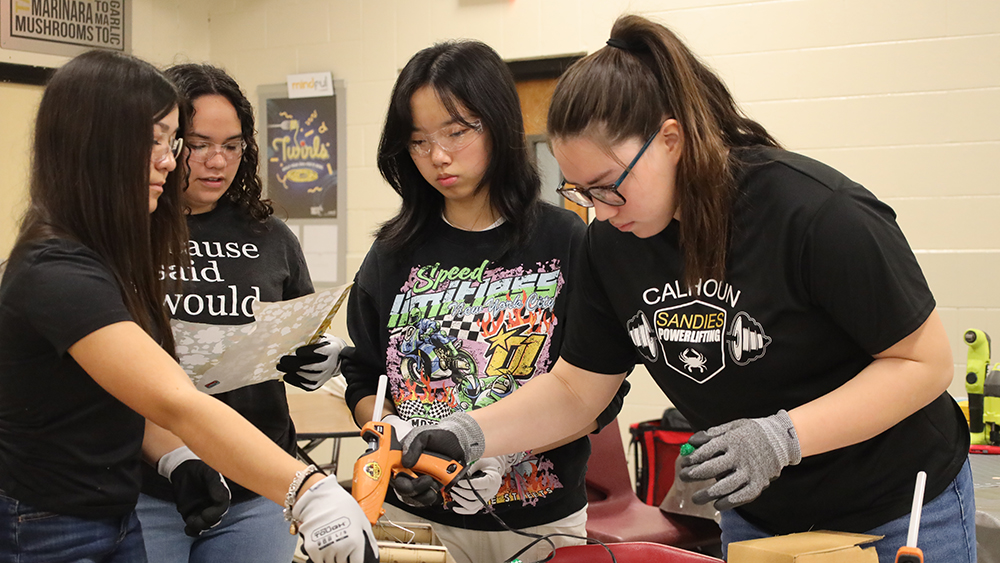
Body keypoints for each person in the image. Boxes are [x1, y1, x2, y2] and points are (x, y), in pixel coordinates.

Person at [398, 15, 974, 563]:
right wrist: (469, 433)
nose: (598, 210)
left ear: (669, 140)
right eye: (579, 191)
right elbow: (577, 390)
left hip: (898, 507)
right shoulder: (613, 244)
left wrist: (782, 437)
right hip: (760, 516)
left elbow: (923, 364)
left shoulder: (814, 213)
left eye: (608, 186)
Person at [0, 50, 374, 563]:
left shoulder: (99, 249)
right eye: (162, 141)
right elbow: (172, 398)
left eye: (172, 142)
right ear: (96, 145)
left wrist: (177, 457)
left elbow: (127, 396)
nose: (171, 160)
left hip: (118, 510)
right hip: (62, 519)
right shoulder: (59, 268)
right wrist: (310, 490)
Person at [339, 40, 629, 563]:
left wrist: (502, 448)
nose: (438, 156)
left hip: (538, 519)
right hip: (417, 520)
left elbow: (599, 395)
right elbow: (364, 380)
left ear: (497, 124)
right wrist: (400, 448)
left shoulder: (567, 241)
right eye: (418, 141)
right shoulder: (392, 253)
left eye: (456, 132)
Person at [132, 63, 348, 563]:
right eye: (200, 143)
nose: (217, 162)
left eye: (232, 146)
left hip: (257, 484)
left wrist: (321, 363)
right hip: (150, 488)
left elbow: (298, 340)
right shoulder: (128, 232)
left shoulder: (271, 236)